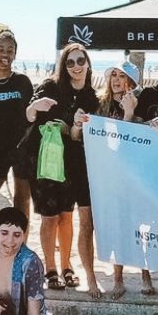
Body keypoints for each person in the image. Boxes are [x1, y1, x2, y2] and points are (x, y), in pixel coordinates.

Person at [24, 44, 102, 296]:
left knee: (67, 216)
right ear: (63, 66)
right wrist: (36, 107)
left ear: (88, 64)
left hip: (73, 163)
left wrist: (71, 129)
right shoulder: (50, 87)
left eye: (81, 61)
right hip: (45, 160)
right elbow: (28, 115)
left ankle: (67, 266)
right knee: (49, 217)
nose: (76, 66)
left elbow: (83, 137)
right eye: (70, 62)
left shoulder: (92, 97)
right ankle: (50, 268)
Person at [96, 61, 153, 295]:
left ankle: (145, 275)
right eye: (114, 76)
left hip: (133, 173)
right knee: (118, 226)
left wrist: (130, 115)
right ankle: (118, 278)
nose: (117, 80)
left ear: (131, 82)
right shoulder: (101, 105)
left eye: (122, 76)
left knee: (141, 227)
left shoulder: (139, 105)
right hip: (110, 173)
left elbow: (132, 140)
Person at [0, 30, 34, 242]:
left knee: (22, 201)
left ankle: (21, 247)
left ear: (15, 55)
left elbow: (32, 117)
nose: (5, 54)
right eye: (1, 49)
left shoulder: (23, 82)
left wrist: (25, 144)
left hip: (21, 150)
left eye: (10, 50)